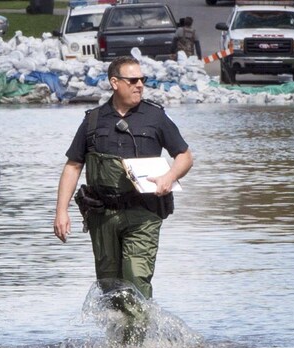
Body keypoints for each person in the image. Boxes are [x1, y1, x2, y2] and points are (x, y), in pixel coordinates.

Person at [52, 55, 193, 323]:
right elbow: (73, 165)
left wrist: (169, 177)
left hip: (144, 214)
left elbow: (185, 156)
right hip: (102, 216)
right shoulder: (93, 120)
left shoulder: (156, 117)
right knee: (109, 286)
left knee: (135, 278)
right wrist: (61, 211)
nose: (140, 85)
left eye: (143, 80)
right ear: (114, 83)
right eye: (133, 80)